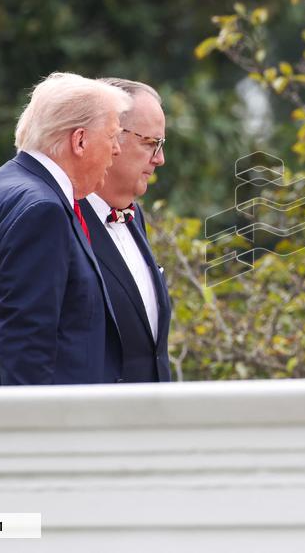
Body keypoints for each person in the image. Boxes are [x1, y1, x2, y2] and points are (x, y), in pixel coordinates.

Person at [0, 72, 131, 386]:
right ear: (80, 140)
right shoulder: (42, 210)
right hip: (6, 415)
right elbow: (27, 350)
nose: (117, 150)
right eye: (113, 136)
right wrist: (35, 419)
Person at [78, 79, 171, 382]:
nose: (159, 159)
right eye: (151, 143)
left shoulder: (134, 215)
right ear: (112, 136)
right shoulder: (61, 219)